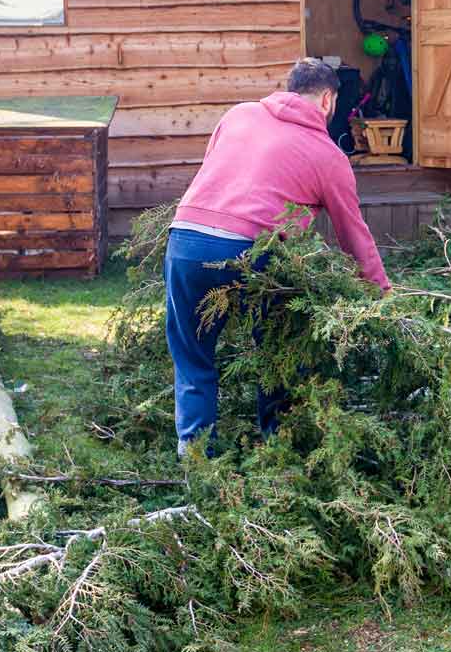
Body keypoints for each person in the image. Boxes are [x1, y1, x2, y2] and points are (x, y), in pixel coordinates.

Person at [166, 58, 391, 456]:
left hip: (187, 239)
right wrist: (380, 294)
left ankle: (196, 456)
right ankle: (279, 446)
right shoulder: (328, 156)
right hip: (255, 251)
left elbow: (214, 171)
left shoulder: (237, 116)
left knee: (192, 353)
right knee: (279, 351)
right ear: (327, 100)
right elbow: (353, 234)